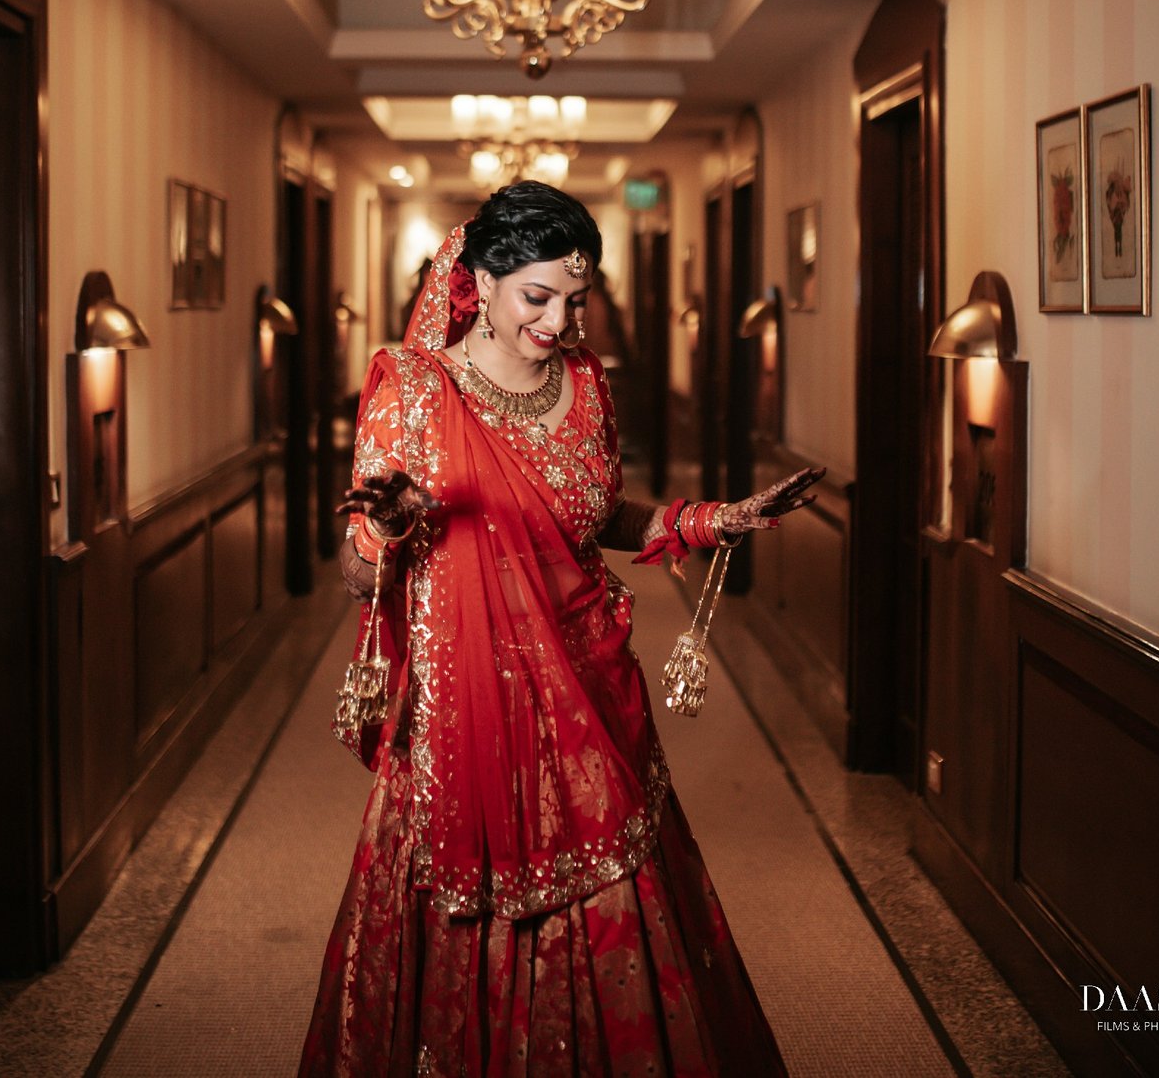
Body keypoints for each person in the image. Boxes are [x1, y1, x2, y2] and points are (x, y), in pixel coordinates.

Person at [300, 181, 823, 1077]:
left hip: (590, 698)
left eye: (576, 300)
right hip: (464, 712)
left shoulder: (586, 381)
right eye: (537, 296)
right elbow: (356, 572)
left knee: (621, 900)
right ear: (481, 282)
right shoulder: (414, 391)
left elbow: (596, 514)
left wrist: (709, 520)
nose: (559, 321)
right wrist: (386, 528)